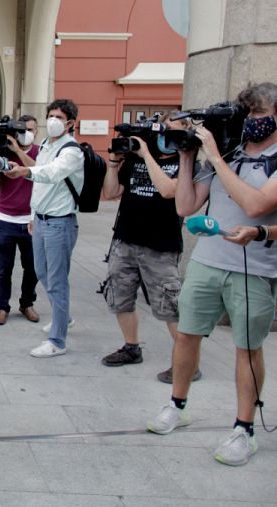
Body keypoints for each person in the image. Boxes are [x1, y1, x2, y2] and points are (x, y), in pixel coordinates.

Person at [147, 82, 277, 467]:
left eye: (259, 114)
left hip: (253, 270)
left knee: (247, 347)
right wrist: (189, 157)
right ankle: (177, 405)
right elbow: (185, 206)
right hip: (207, 261)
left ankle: (244, 428)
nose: (251, 122)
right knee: (186, 336)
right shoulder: (230, 152)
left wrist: (216, 157)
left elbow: (256, 206)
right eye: (248, 114)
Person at [100, 116, 196, 384]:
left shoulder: (187, 163)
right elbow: (110, 192)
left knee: (169, 306)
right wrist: (114, 162)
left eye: (174, 131)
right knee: (121, 297)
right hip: (125, 240)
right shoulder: (135, 159)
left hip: (161, 245)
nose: (166, 136)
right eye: (164, 130)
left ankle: (189, 362)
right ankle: (131, 347)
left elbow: (168, 190)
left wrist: (145, 154)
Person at [4, 99, 84, 358]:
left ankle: (57, 341)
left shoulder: (72, 151)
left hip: (60, 223)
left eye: (59, 117)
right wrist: (33, 214)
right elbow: (40, 182)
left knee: (58, 280)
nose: (53, 120)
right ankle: (65, 317)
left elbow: (49, 174)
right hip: (40, 219)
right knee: (41, 270)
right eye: (50, 115)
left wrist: (25, 171)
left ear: (70, 122)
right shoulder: (48, 145)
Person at [0, 115, 41, 325]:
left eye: (30, 129)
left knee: (32, 267)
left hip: (31, 219)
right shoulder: (3, 152)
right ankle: (2, 307)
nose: (25, 133)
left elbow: (40, 172)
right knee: (3, 268)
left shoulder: (40, 152)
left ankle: (27, 303)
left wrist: (19, 151)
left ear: (36, 131)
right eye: (22, 130)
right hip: (5, 219)